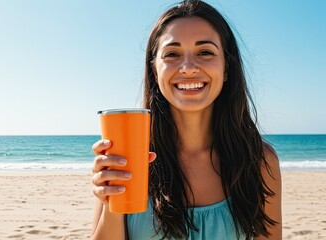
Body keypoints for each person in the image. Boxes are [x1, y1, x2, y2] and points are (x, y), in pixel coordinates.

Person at [90, 0, 282, 239]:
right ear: (154, 70)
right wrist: (112, 202)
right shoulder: (129, 157)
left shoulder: (259, 161)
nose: (188, 67)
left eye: (205, 52)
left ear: (226, 69)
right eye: (172, 54)